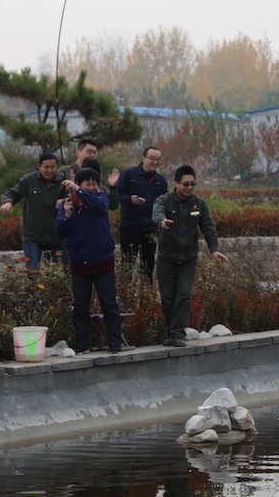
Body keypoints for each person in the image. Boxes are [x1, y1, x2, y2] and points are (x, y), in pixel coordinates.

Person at [152, 164, 229, 348]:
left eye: (192, 184)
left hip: (188, 259)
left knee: (184, 295)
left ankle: (178, 333)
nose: (189, 188)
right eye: (185, 184)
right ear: (176, 183)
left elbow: (208, 227)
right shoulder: (164, 201)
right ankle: (171, 332)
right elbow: (156, 213)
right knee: (168, 297)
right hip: (167, 258)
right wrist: (161, 221)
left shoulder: (198, 204)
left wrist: (214, 249)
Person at [54, 167, 123, 354]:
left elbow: (95, 206)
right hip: (79, 262)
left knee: (109, 303)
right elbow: (60, 230)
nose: (92, 187)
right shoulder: (67, 204)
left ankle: (115, 343)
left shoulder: (100, 198)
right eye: (88, 183)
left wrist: (79, 189)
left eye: (94, 183)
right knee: (80, 306)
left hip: (102, 260)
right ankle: (81, 344)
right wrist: (67, 216)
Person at [0, 152, 65, 269]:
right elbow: (11, 193)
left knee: (57, 273)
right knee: (32, 272)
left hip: (56, 237)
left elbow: (74, 199)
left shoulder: (64, 181)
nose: (50, 170)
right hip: (32, 235)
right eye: (46, 167)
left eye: (53, 167)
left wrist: (65, 200)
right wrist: (8, 203)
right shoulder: (28, 180)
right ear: (39, 167)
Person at [114, 146, 167, 282]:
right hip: (131, 226)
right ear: (143, 158)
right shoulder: (129, 174)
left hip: (151, 227)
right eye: (152, 159)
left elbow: (163, 203)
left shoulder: (161, 181)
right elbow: (119, 194)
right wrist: (130, 199)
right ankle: (125, 293)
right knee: (128, 262)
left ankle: (147, 296)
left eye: (158, 159)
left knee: (148, 263)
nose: (155, 162)